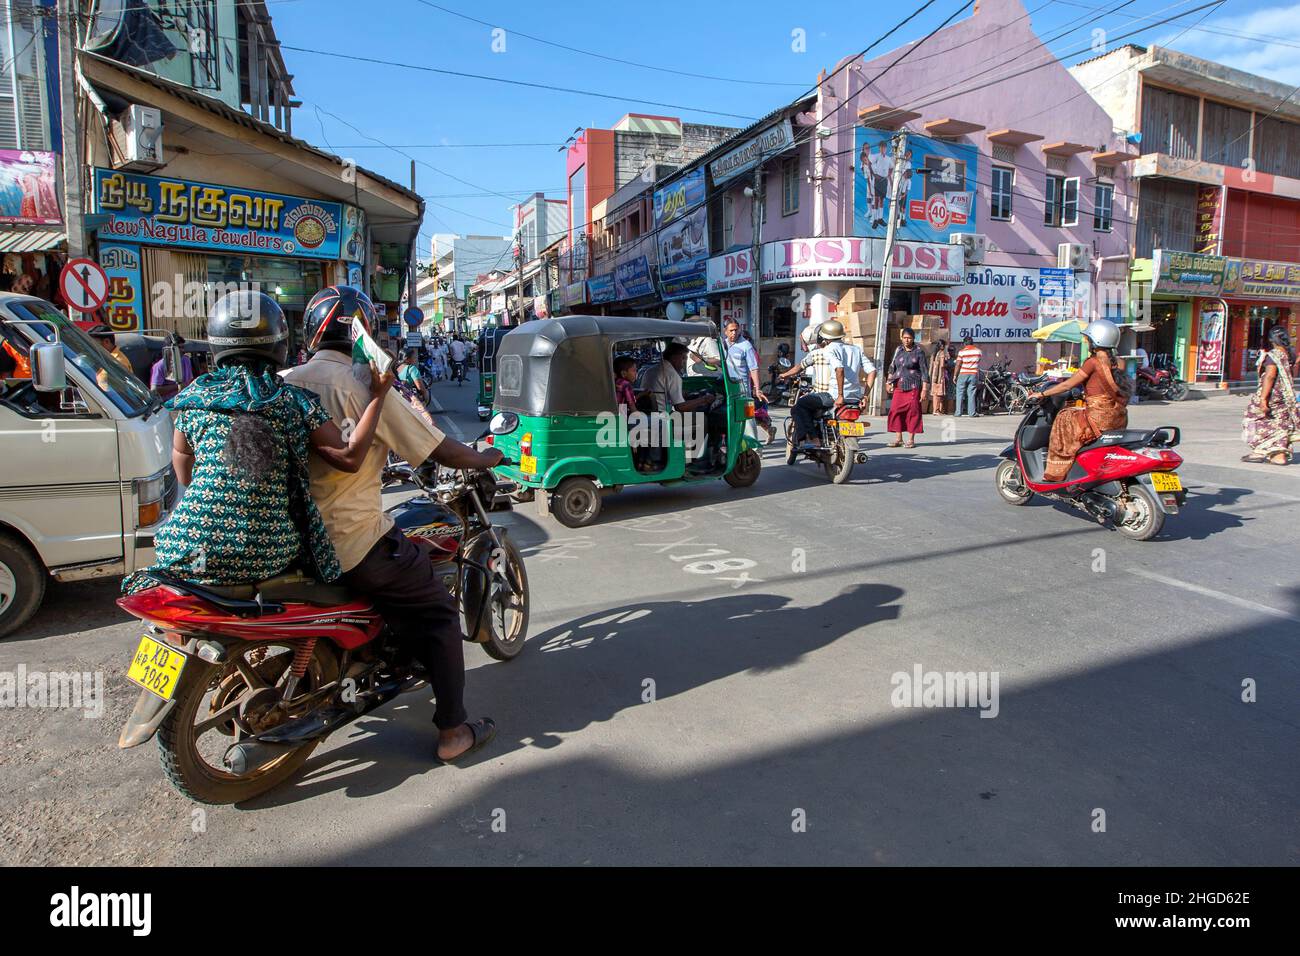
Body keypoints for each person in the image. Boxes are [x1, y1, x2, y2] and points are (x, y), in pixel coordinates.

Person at [283, 285, 502, 764]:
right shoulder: (365, 385)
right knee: (440, 612)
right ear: (364, 334)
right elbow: (439, 448)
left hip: (286, 542)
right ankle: (452, 731)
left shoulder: (284, 380)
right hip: (350, 540)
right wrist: (487, 456)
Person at [124, 291, 390, 593]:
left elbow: (185, 474)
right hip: (265, 553)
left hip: (186, 549)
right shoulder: (290, 400)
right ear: (280, 344)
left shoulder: (195, 399)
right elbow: (349, 457)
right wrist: (378, 395)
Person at [1028, 319, 1132, 482]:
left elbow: (1068, 384)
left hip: (1097, 418)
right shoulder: (1120, 363)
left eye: (1088, 339)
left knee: (1063, 417)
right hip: (1118, 418)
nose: (1087, 342)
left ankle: (1056, 472)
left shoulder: (1093, 362)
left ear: (1095, 341)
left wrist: (1042, 394)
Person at [780, 320, 876, 449]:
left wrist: (840, 395)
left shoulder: (828, 349)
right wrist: (865, 396)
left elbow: (839, 368)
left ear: (824, 337)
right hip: (855, 398)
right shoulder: (855, 349)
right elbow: (872, 371)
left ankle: (814, 439)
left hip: (834, 396)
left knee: (800, 405)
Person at [1241, 325, 1299, 465]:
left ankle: (1260, 451)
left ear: (1271, 340)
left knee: (1254, 418)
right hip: (1286, 396)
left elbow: (1270, 376)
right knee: (1280, 424)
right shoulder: (1289, 354)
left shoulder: (1274, 355)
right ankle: (1278, 455)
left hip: (1273, 395)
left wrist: (1263, 400)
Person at [885, 328, 930, 448]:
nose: (907, 340)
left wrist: (924, 390)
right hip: (899, 385)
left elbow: (925, 372)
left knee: (913, 412)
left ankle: (910, 439)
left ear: (913, 338)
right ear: (901, 338)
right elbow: (892, 367)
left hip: (914, 386)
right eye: (904, 337)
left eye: (909, 338)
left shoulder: (919, 351)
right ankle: (898, 438)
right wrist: (888, 382)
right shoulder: (898, 350)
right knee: (895, 410)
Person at [149, 334, 194, 399]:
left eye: (183, 347)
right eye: (178, 348)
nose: (182, 350)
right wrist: (177, 386)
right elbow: (154, 390)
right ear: (169, 349)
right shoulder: (159, 366)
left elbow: (189, 381)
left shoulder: (186, 360)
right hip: (168, 403)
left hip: (185, 399)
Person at [952, 335, 982, 417]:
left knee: (960, 393)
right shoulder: (978, 351)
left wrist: (955, 376)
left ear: (964, 343)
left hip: (963, 374)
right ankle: (972, 413)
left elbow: (958, 364)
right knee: (971, 393)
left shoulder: (961, 352)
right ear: (972, 343)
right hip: (973, 374)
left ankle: (958, 412)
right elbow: (978, 361)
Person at [928, 339, 950, 415]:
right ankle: (937, 410)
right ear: (942, 346)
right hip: (940, 376)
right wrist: (948, 364)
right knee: (939, 394)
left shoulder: (933, 354)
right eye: (944, 345)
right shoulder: (941, 353)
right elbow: (942, 365)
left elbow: (931, 366)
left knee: (935, 394)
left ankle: (935, 410)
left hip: (933, 377)